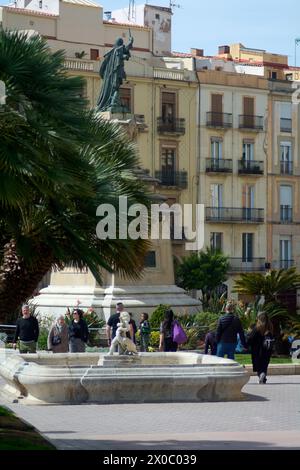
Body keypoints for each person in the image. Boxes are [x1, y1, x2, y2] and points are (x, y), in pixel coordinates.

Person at [97, 34, 134, 111]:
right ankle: (113, 103)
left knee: (115, 88)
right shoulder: (117, 50)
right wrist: (125, 55)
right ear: (120, 43)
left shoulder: (113, 51)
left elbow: (124, 50)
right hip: (115, 73)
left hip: (113, 73)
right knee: (116, 87)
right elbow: (121, 54)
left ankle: (114, 102)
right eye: (121, 43)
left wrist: (130, 43)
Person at [247, 312, 274, 384]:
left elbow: (250, 338)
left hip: (257, 350)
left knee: (258, 365)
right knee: (264, 364)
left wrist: (247, 344)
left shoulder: (257, 328)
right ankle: (263, 377)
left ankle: (261, 375)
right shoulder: (270, 326)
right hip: (267, 349)